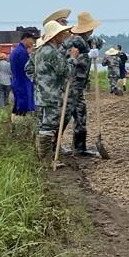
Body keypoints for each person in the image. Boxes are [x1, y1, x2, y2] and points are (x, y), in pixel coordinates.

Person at [61, 10, 102, 156]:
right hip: (71, 83)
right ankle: (53, 145)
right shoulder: (74, 41)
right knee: (65, 115)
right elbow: (68, 59)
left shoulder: (88, 39)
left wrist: (95, 47)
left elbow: (99, 42)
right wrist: (87, 56)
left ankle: (80, 147)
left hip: (79, 85)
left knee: (81, 114)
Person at [33, 20, 72, 158]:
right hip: (51, 94)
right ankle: (46, 159)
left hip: (40, 93)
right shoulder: (52, 52)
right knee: (49, 126)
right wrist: (72, 59)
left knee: (42, 124)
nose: (63, 37)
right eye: (61, 34)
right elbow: (65, 71)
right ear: (55, 36)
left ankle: (41, 155)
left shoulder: (39, 51)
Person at [10, 27, 37, 115]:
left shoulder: (17, 50)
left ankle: (15, 124)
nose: (33, 43)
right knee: (22, 109)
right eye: (32, 40)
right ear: (26, 38)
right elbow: (27, 69)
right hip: (22, 83)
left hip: (17, 82)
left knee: (18, 106)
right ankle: (19, 126)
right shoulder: (22, 52)